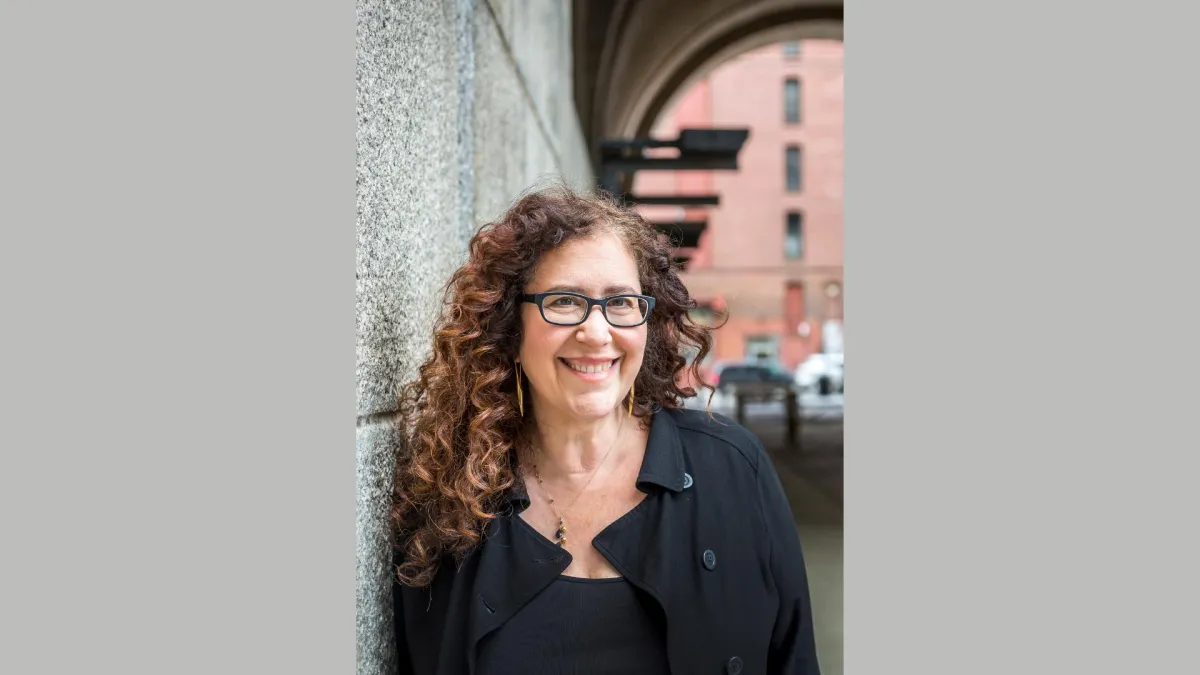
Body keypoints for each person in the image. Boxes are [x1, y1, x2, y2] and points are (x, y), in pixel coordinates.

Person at [391, 184, 821, 675]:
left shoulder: (733, 469)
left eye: (620, 303)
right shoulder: (450, 498)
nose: (596, 333)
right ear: (510, 327)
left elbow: (795, 660)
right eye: (565, 301)